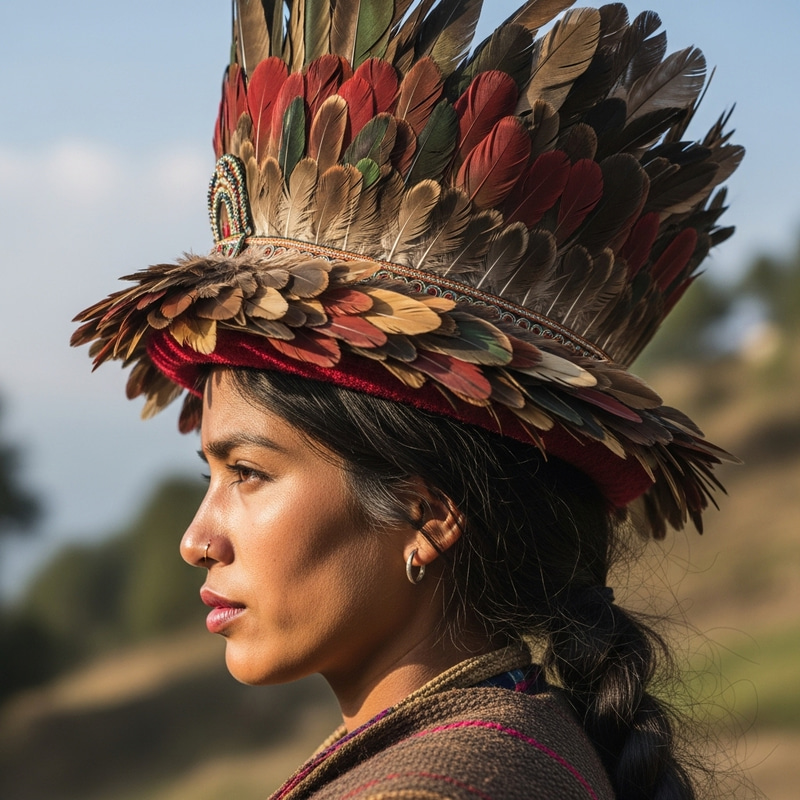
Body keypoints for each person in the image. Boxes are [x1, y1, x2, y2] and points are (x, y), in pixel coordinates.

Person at [72, 1, 744, 797]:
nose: (197, 540)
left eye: (247, 473)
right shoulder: (514, 744)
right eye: (208, 476)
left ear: (427, 515)